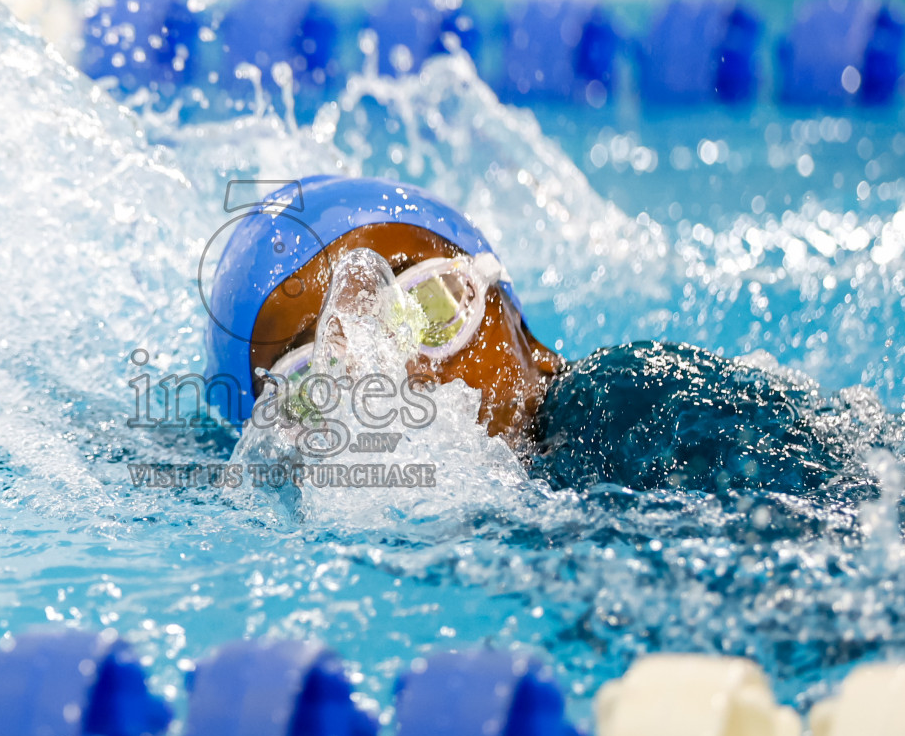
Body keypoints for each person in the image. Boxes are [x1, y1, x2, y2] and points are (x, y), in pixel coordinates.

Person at [204, 174, 847, 497]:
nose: (401, 375)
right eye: (320, 380)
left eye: (427, 307)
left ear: (518, 328)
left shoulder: (634, 402)